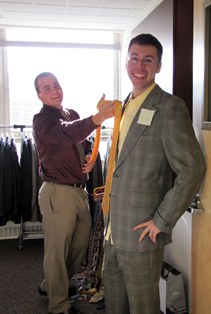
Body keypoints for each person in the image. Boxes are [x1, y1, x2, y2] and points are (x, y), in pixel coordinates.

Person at [102, 34, 206, 314]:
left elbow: (193, 168)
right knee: (114, 303)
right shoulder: (122, 107)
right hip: (112, 228)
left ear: (158, 66)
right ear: (126, 63)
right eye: (134, 58)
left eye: (148, 60)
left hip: (141, 232)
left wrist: (163, 220)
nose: (140, 65)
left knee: (143, 307)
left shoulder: (170, 107)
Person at [32, 72, 115, 314]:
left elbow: (83, 140)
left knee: (79, 245)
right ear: (39, 95)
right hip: (58, 192)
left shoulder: (72, 114)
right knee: (57, 251)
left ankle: (52, 284)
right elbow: (66, 133)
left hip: (79, 192)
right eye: (47, 88)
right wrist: (98, 118)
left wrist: (89, 155)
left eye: (56, 85)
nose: (54, 90)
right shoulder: (42, 121)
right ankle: (58, 304)